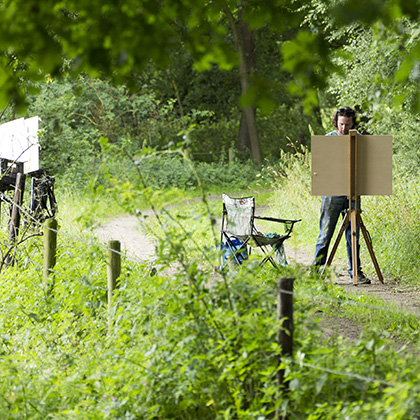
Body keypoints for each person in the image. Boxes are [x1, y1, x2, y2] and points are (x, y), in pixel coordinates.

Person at [313, 106, 370, 284]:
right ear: (336, 122)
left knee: (353, 235)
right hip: (331, 194)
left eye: (347, 125)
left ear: (353, 124)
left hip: (352, 193)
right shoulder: (329, 139)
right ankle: (316, 273)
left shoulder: (359, 140)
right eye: (341, 124)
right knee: (325, 234)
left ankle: (356, 273)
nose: (344, 128)